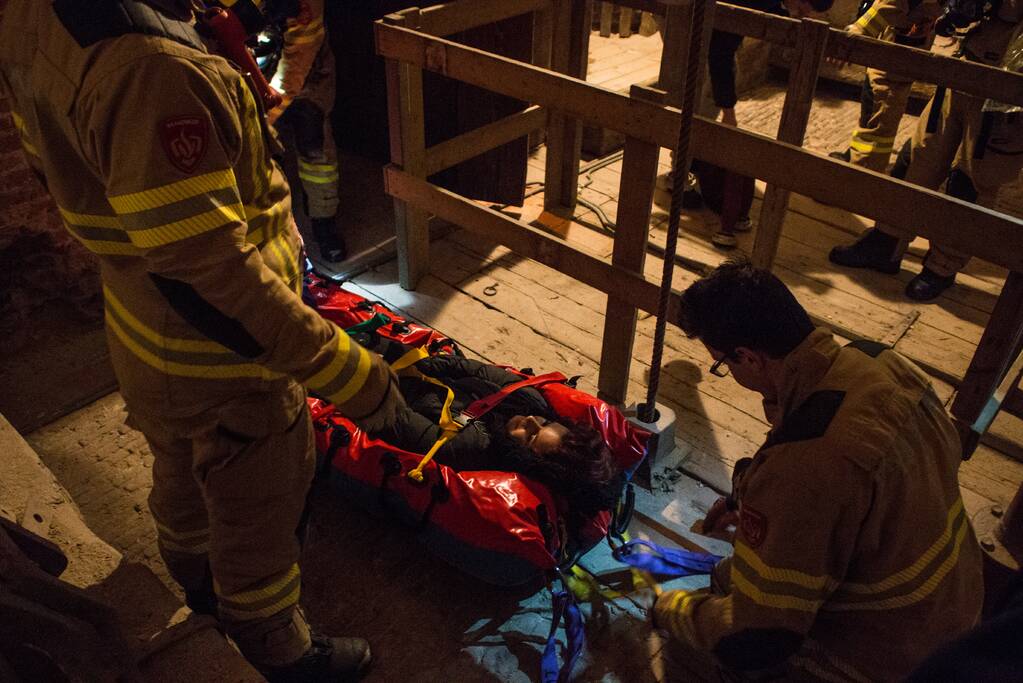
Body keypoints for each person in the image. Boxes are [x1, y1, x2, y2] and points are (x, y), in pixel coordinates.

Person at [0, 1, 406, 680]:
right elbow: (213, 279)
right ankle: (276, 645)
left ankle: (197, 586)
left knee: (183, 474)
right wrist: (354, 375)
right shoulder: (151, 70)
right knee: (261, 504)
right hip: (225, 361)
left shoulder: (37, 14)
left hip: (140, 324)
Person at [651, 258, 983, 681]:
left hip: (897, 653)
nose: (728, 373)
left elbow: (757, 637)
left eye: (723, 365)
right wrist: (752, 502)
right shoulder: (881, 363)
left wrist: (670, 609)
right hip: (956, 599)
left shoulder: (805, 467)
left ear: (747, 357)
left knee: (731, 660)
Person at [829, 1, 1023, 301]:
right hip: (967, 66)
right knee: (919, 158)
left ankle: (942, 267)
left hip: (1007, 90)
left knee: (970, 183)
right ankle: (887, 241)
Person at [366, 347, 622, 525]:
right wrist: (423, 364)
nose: (530, 420)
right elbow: (475, 369)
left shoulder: (470, 446)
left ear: (525, 460)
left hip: (391, 386)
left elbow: (395, 416)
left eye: (531, 436)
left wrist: (383, 373)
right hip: (415, 366)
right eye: (544, 422)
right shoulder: (529, 400)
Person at [654, 0, 835, 249]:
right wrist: (729, 113)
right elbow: (719, 51)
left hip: (714, 15)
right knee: (696, 79)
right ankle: (679, 174)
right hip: (682, 6)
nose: (799, 15)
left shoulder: (779, 4)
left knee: (714, 81)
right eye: (802, 9)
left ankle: (689, 159)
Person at [264, 0, 346, 263]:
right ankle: (273, 226)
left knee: (315, 145)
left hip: (308, 69)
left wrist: (264, 116)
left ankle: (324, 223)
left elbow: (296, 64)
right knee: (260, 150)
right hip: (250, 61)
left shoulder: (303, 6)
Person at [830, 0, 943, 172]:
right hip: (893, 61)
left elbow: (891, 5)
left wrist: (855, 33)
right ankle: (857, 159)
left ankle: (861, 175)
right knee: (873, 121)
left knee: (877, 128)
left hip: (891, 68)